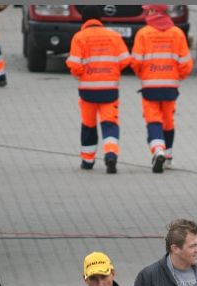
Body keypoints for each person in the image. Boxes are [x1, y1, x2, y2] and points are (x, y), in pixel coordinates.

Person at [66, 5, 131, 173]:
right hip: (109, 90)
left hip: (88, 91)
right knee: (110, 124)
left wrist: (79, 73)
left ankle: (87, 161)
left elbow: (74, 64)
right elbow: (125, 60)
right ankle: (110, 155)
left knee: (88, 126)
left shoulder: (79, 37)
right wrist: (112, 70)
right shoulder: (114, 36)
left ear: (84, 20)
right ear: (99, 19)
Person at [132, 4, 194, 173]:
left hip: (150, 85)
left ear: (154, 11)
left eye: (148, 9)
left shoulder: (143, 33)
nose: (146, 12)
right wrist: (177, 76)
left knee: (153, 120)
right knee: (168, 121)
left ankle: (158, 150)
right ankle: (167, 157)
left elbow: (136, 61)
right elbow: (186, 63)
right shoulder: (177, 33)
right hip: (170, 85)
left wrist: (141, 74)